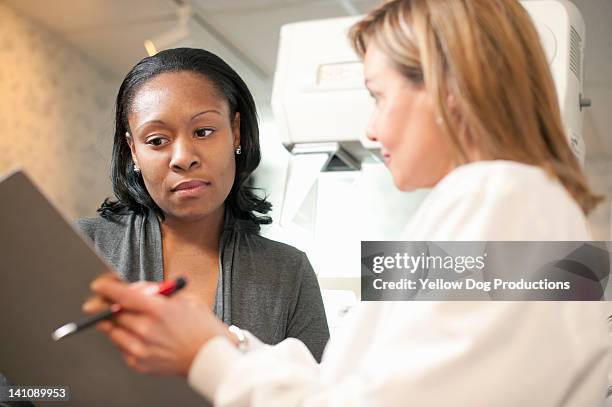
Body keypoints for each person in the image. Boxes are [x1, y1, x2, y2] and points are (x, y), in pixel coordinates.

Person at [83, 1, 609, 405]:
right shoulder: (525, 205)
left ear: (450, 88)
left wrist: (208, 355)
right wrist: (227, 343)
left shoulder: (502, 197)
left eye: (379, 96)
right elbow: (357, 381)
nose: (370, 128)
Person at [76, 48, 329, 362]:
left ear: (235, 133)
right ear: (133, 151)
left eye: (203, 131)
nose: (183, 158)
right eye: (156, 140)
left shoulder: (289, 273)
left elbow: (315, 394)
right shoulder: (81, 248)